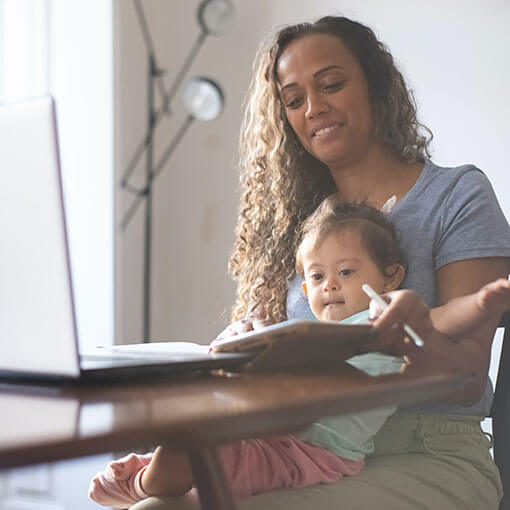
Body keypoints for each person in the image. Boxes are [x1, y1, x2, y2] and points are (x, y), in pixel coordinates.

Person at [129, 14, 510, 510]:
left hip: (429, 453)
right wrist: (248, 345)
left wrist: (415, 341)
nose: (314, 108)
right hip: (303, 454)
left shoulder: (457, 195)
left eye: (331, 84)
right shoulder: (300, 227)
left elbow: (465, 381)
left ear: (374, 86)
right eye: (293, 99)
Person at [89, 199, 407, 508]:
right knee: (192, 433)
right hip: (275, 434)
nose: (330, 286)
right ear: (306, 290)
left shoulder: (380, 328)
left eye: (346, 272)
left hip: (311, 455)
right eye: (317, 276)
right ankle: (151, 468)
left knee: (193, 443)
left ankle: (138, 485)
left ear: (390, 278)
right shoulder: (311, 332)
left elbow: (350, 383)